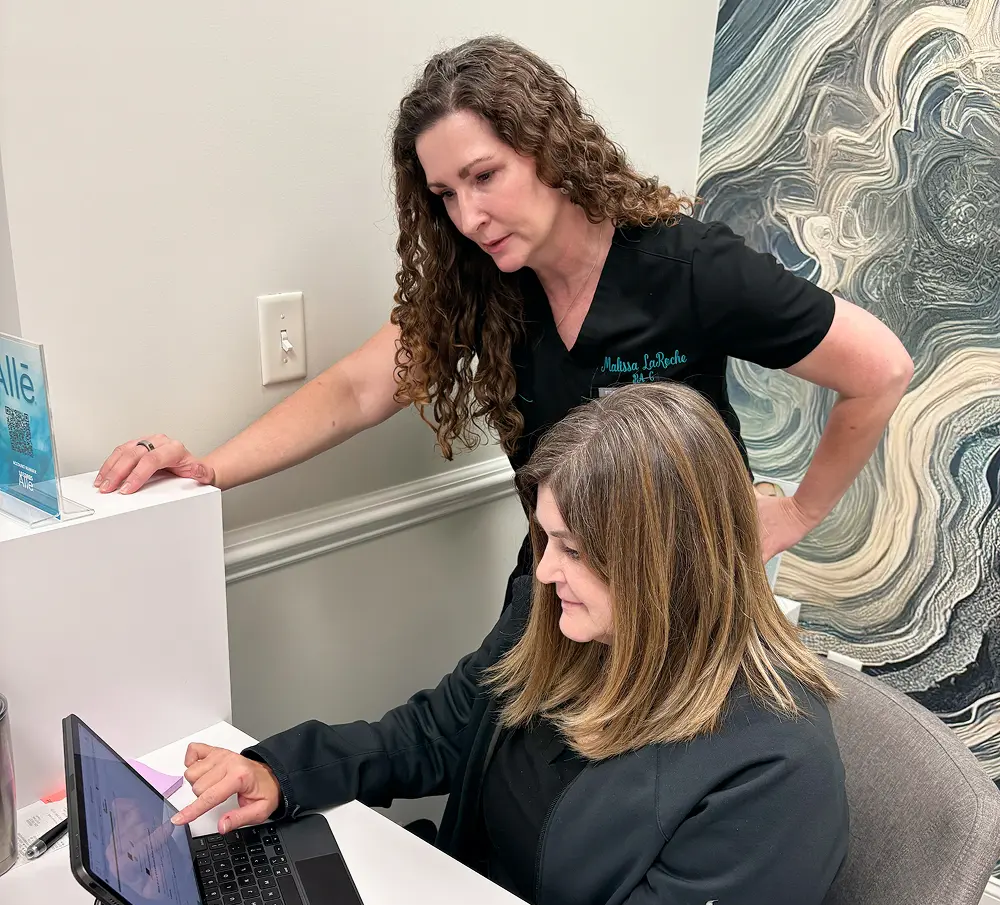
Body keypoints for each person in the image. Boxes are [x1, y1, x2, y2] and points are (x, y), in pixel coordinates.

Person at [93, 36, 912, 600]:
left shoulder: (688, 267)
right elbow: (356, 389)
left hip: (686, 593)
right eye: (446, 194)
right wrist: (207, 470)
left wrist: (798, 513)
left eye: (485, 176)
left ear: (550, 147)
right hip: (559, 579)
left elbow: (879, 370)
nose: (469, 216)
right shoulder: (485, 281)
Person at [169, 383, 849, 905]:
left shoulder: (777, 771)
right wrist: (281, 772)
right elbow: (434, 733)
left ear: (665, 563)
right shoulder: (553, 621)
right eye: (545, 539)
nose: (545, 570)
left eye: (573, 549)